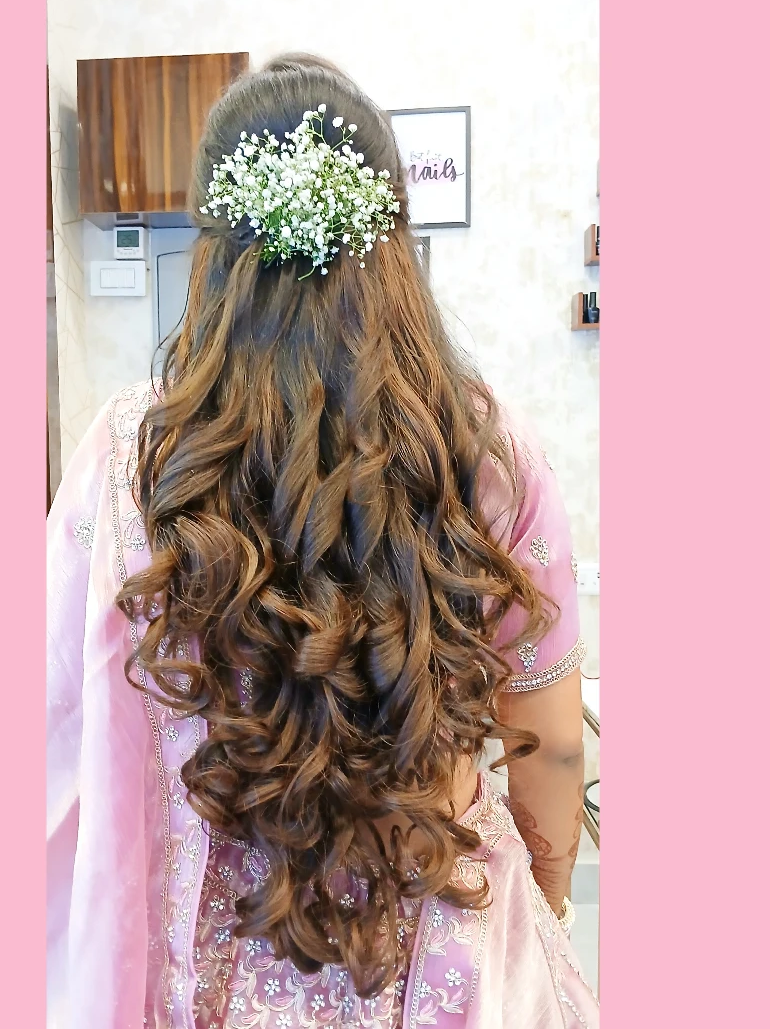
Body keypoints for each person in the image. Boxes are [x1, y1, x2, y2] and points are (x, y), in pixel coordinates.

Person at [47, 53, 598, 1029]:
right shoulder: (485, 451)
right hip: (442, 954)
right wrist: (540, 912)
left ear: (216, 251)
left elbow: (58, 714)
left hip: (212, 967)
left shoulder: (133, 456)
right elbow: (551, 749)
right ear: (395, 240)